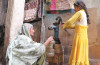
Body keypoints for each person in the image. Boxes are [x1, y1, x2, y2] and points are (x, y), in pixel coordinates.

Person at [63, 0, 90, 65]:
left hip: (79, 37)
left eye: (75, 7)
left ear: (79, 6)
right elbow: (77, 26)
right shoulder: (84, 14)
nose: (74, 9)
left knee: (77, 52)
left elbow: (69, 22)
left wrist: (65, 25)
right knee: (81, 53)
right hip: (84, 38)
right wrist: (66, 24)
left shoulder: (79, 13)